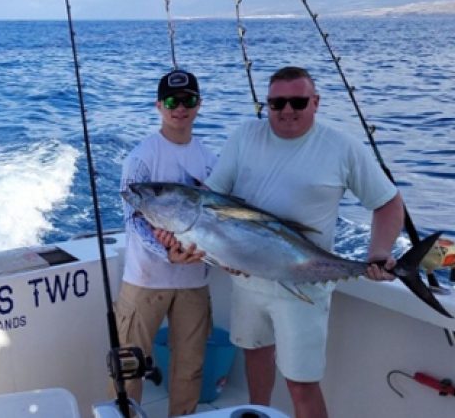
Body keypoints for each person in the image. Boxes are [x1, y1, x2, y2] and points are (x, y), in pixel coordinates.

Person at [204, 66, 402, 418]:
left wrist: (379, 253)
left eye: (297, 101)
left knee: (301, 383)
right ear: (266, 105)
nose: (287, 110)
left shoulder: (342, 148)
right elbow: (212, 200)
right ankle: (258, 413)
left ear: (316, 102)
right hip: (247, 280)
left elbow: (387, 203)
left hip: (303, 286)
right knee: (255, 354)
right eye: (277, 103)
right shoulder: (245, 136)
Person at [116, 69, 216, 416]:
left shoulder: (210, 159)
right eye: (172, 101)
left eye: (188, 100)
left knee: (190, 370)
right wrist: (166, 252)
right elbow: (132, 219)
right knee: (128, 370)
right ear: (159, 105)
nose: (180, 108)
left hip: (194, 282)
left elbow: (221, 222)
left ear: (198, 105)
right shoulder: (141, 158)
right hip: (146, 280)